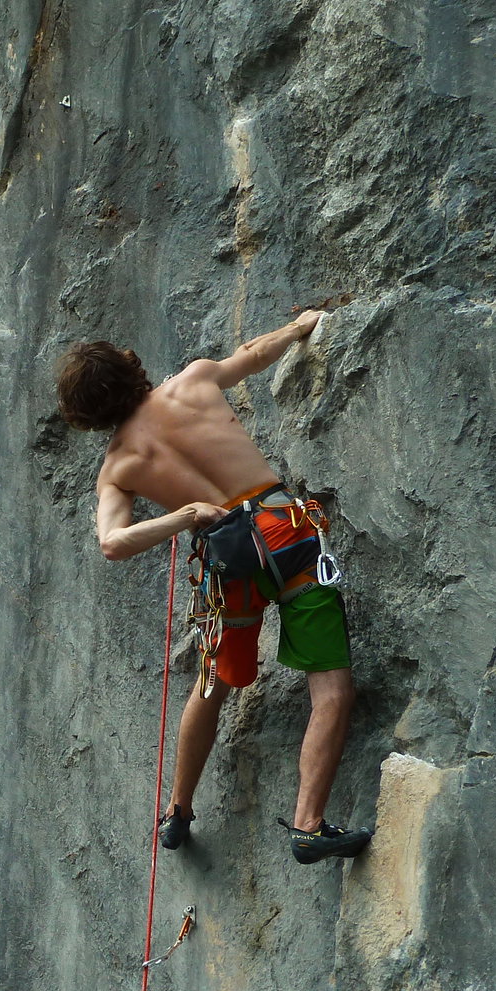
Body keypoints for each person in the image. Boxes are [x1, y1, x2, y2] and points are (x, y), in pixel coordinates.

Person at [54, 311, 370, 865]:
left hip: (229, 563)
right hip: (286, 534)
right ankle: (308, 824)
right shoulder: (195, 380)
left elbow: (113, 542)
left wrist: (183, 517)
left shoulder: (118, 468)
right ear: (129, 365)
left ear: (86, 416)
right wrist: (299, 326)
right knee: (332, 688)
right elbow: (255, 353)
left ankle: (178, 809)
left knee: (212, 685)